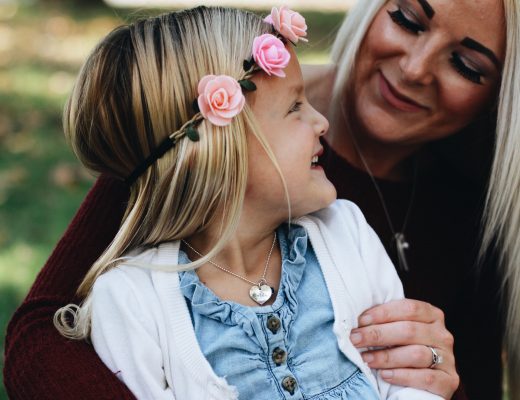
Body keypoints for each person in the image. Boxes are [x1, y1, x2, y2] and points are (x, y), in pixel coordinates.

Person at [7, 0, 510, 399]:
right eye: (407, 18)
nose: (415, 68)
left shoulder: (465, 216)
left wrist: (440, 378)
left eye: (467, 64)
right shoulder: (198, 122)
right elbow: (41, 332)